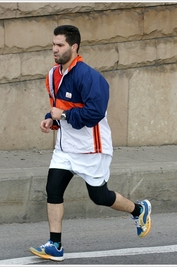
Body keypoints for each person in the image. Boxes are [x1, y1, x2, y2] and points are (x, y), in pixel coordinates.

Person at [29, 25, 152, 262]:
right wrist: (50, 121)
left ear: (74, 47)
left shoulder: (91, 78)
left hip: (92, 149)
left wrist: (61, 116)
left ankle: (139, 210)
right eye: (53, 44)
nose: (54, 49)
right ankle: (55, 245)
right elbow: (58, 109)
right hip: (64, 149)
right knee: (53, 189)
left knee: (100, 197)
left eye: (60, 45)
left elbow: (93, 114)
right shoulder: (53, 75)